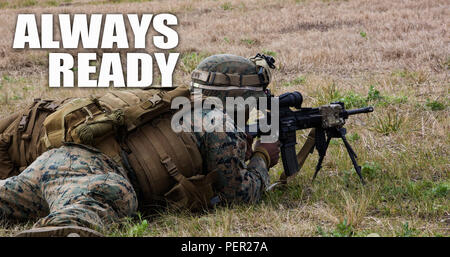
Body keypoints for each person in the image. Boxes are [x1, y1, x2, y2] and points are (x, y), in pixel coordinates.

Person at [0, 53, 280, 237]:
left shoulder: (174, 101)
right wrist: (262, 157)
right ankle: (63, 227)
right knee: (114, 197)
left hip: (58, 159)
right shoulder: (218, 121)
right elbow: (238, 196)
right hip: (95, 176)